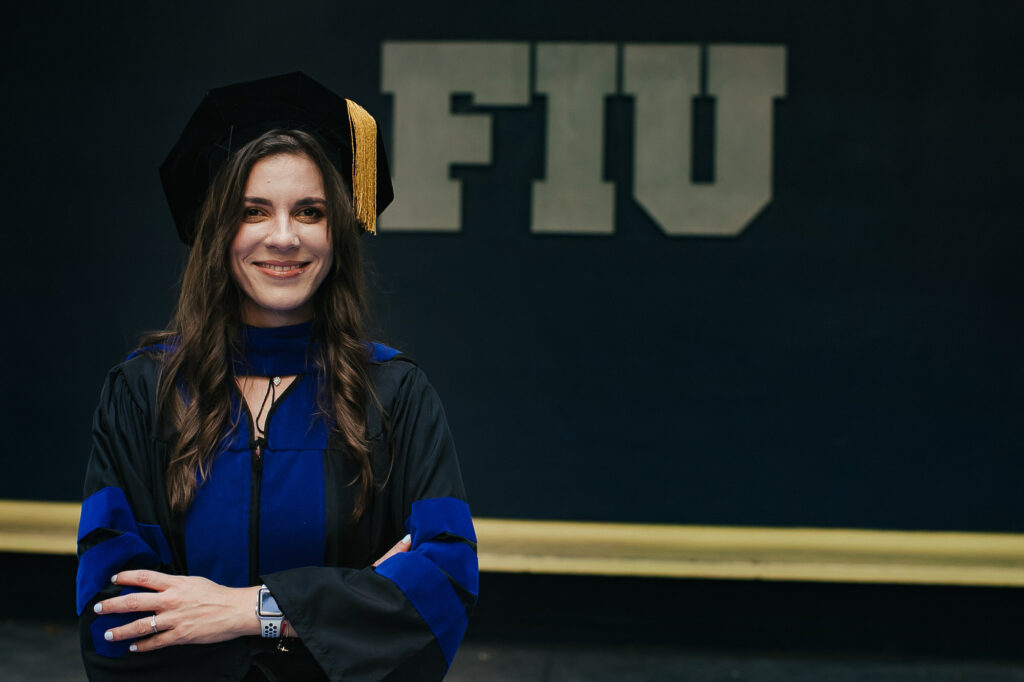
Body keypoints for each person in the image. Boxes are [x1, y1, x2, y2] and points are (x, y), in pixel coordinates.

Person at [75, 72, 477, 681]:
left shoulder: (393, 394)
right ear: (218, 231)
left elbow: (440, 586)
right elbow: (118, 610)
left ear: (336, 232)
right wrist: (347, 601)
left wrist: (248, 610)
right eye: (253, 211)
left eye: (309, 211)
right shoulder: (145, 394)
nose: (284, 237)